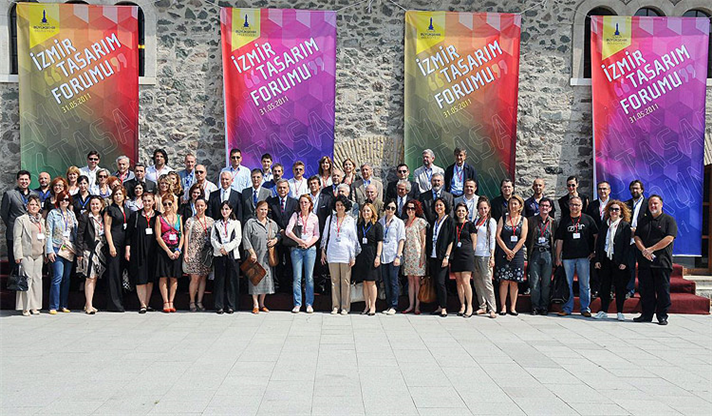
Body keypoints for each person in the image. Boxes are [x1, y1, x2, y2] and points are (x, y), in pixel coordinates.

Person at [633, 195, 677, 325]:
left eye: (655, 204)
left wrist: (651, 249)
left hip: (662, 263)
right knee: (646, 291)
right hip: (645, 263)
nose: (653, 206)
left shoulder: (669, 220)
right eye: (651, 204)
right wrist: (644, 250)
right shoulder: (643, 221)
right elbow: (637, 237)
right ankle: (646, 315)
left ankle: (662, 316)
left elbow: (669, 238)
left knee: (662, 291)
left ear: (661, 205)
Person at [555, 196, 598, 317]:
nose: (574, 207)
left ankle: (585, 308)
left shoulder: (588, 219)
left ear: (581, 206)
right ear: (569, 206)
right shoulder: (564, 221)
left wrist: (594, 251)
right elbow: (559, 240)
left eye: (577, 205)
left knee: (584, 284)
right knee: (567, 284)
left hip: (584, 257)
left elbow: (596, 235)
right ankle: (567, 308)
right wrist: (558, 257)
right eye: (572, 204)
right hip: (568, 257)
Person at [594, 200, 633, 321]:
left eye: (617, 209)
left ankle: (620, 311)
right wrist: (598, 259)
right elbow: (599, 243)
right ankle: (603, 310)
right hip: (606, 258)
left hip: (618, 260)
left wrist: (624, 262)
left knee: (620, 287)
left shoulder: (625, 225)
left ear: (621, 211)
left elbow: (627, 246)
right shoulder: (604, 224)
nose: (614, 212)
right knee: (604, 286)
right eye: (611, 209)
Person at [321, 195, 358, 314]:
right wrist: (323, 251)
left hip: (345, 253)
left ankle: (345, 307)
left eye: (342, 205)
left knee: (345, 281)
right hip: (332, 252)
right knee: (334, 281)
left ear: (345, 206)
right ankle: (335, 306)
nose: (339, 207)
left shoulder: (350, 220)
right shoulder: (330, 218)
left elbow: (353, 238)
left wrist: (353, 256)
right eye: (337, 205)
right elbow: (325, 235)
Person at [243, 201, 281, 313]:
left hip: (267, 256)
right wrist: (251, 252)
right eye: (261, 209)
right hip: (255, 255)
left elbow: (279, 234)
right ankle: (255, 304)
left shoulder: (271, 223)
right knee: (255, 279)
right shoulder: (251, 223)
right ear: (256, 210)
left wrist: (275, 240)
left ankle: (262, 303)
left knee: (266, 279)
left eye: (265, 209)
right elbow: (246, 238)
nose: (263, 212)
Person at [285, 195, 320, 313]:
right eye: (301, 202)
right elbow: (288, 231)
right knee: (297, 277)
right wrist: (299, 241)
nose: (303, 205)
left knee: (309, 277)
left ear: (310, 204)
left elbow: (317, 234)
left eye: (306, 202)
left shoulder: (314, 217)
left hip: (310, 249)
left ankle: (309, 303)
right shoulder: (296, 216)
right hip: (297, 249)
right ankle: (297, 303)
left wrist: (309, 243)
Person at [495, 195, 528, 316]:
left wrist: (513, 251)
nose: (513, 206)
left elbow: (523, 237)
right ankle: (503, 306)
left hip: (517, 253)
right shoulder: (503, 218)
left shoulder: (523, 220)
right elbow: (498, 236)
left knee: (514, 281)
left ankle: (513, 307)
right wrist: (506, 250)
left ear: (520, 206)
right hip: (503, 252)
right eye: (511, 203)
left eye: (515, 204)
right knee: (504, 281)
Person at [45, 190, 77, 315]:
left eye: (67, 199)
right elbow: (48, 232)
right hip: (56, 247)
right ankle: (53, 305)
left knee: (66, 278)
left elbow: (75, 231)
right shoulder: (53, 213)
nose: (65, 202)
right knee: (58, 276)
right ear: (58, 201)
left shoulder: (71, 214)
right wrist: (49, 250)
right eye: (62, 199)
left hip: (68, 248)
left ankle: (64, 305)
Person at [12, 195, 45, 316]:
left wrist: (46, 252)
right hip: (27, 254)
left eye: (36, 205)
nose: (34, 207)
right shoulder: (21, 220)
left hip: (39, 254)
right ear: (27, 206)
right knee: (27, 279)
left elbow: (45, 236)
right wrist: (18, 255)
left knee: (37, 280)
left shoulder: (42, 220)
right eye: (32, 204)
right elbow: (17, 238)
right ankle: (25, 307)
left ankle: (35, 306)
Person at [125, 192, 157, 314]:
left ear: (153, 202)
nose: (147, 203)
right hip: (138, 250)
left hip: (153, 251)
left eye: (149, 201)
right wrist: (127, 249)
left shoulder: (157, 216)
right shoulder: (136, 215)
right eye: (145, 201)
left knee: (150, 278)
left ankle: (147, 303)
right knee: (140, 277)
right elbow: (128, 234)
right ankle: (142, 304)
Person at [525, 197, 557, 315]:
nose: (544, 208)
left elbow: (555, 239)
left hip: (547, 253)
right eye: (542, 205)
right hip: (535, 252)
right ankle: (535, 306)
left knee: (546, 282)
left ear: (550, 208)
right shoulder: (531, 221)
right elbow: (527, 238)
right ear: (539, 207)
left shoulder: (553, 222)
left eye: (547, 206)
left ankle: (544, 306)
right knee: (534, 281)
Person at [76, 196, 107, 315]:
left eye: (97, 204)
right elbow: (80, 235)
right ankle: (89, 305)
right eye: (92, 204)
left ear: (101, 205)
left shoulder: (103, 216)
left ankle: (88, 303)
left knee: (94, 277)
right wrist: (79, 252)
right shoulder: (85, 217)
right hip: (89, 250)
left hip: (100, 250)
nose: (95, 206)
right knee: (89, 277)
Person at [183, 198, 214, 312]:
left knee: (203, 278)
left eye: (202, 205)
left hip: (206, 253)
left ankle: (199, 301)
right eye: (198, 206)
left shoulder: (211, 221)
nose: (200, 208)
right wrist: (186, 252)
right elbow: (186, 237)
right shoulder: (190, 221)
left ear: (206, 207)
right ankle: (192, 301)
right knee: (195, 278)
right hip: (193, 251)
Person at [267, 179, 298, 293]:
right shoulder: (271, 202)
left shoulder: (294, 202)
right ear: (276, 189)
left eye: (284, 187)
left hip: (290, 237)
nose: (282, 190)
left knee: (290, 262)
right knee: (277, 261)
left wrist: (288, 230)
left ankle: (288, 286)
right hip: (277, 236)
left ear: (288, 189)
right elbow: (270, 218)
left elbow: (296, 218)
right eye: (280, 187)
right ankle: (277, 285)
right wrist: (279, 230)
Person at [211, 201, 242, 314]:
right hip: (219, 254)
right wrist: (220, 248)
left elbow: (238, 239)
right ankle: (219, 305)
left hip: (232, 254)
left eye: (227, 209)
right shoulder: (216, 223)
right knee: (219, 280)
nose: (224, 211)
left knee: (231, 280)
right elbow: (213, 239)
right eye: (223, 209)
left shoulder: (236, 223)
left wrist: (227, 248)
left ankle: (231, 305)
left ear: (231, 210)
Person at [155, 194, 183, 312]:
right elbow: (158, 236)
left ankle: (171, 301)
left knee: (174, 277)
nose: (167, 206)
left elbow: (182, 235)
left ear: (173, 204)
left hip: (176, 248)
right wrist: (167, 251)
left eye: (169, 204)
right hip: (164, 250)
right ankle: (165, 302)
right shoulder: (159, 218)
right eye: (165, 204)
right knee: (163, 276)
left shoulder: (179, 217)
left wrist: (178, 249)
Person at [426, 198, 454, 317]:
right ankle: (438, 306)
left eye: (441, 205)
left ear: (445, 206)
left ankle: (444, 307)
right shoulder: (434, 221)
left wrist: (447, 256)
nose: (439, 207)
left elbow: (451, 240)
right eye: (437, 205)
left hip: (443, 256)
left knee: (441, 281)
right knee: (436, 282)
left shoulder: (449, 221)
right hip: (433, 256)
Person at [1, 170, 35, 266]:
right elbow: (4, 213)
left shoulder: (34, 194)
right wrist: (12, 224)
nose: (24, 181)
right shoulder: (10, 194)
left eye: (26, 179)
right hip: (13, 232)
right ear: (17, 180)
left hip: (29, 232)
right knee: (14, 260)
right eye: (21, 179)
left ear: (29, 181)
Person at [104, 186, 129, 312]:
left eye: (120, 194)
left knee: (121, 272)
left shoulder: (127, 210)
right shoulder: (110, 209)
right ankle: (114, 303)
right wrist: (111, 245)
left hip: (125, 243)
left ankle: (122, 300)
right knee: (113, 273)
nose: (118, 196)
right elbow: (107, 228)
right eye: (116, 194)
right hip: (114, 242)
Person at [451, 202, 477, 317]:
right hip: (456, 254)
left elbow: (474, 240)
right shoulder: (454, 224)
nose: (461, 213)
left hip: (467, 254)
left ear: (467, 212)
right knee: (458, 281)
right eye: (459, 211)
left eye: (463, 211)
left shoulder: (470, 225)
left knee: (466, 281)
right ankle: (462, 305)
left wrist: (472, 253)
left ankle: (470, 305)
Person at [473, 197, 498, 318]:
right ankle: (482, 306)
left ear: (489, 209)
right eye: (481, 208)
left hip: (485, 255)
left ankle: (492, 308)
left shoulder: (491, 221)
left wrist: (492, 256)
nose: (483, 210)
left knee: (487, 282)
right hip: (475, 254)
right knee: (477, 281)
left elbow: (492, 239)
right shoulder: (476, 221)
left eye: (485, 208)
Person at [401, 200, 428, 314]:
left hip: (417, 254)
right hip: (407, 254)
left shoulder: (420, 222)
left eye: (412, 208)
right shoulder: (404, 222)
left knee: (417, 281)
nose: (410, 210)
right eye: (408, 208)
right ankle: (410, 305)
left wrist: (422, 257)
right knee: (410, 280)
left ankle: (417, 306)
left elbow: (423, 241)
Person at [379, 200, 405, 315]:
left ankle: (394, 305)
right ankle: (388, 304)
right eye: (388, 207)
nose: (390, 210)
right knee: (386, 281)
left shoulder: (399, 222)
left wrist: (398, 256)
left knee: (393, 281)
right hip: (383, 254)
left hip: (394, 254)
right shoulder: (380, 221)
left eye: (393, 208)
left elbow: (401, 240)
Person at [586, 180, 612, 297]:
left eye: (604, 188)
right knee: (595, 264)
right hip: (595, 239)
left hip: (610, 239)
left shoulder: (614, 205)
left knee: (609, 265)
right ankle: (595, 289)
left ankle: (609, 290)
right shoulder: (592, 205)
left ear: (609, 190)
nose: (602, 191)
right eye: (600, 189)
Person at [625, 179, 649, 298]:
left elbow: (651, 222)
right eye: (632, 188)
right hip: (629, 240)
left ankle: (644, 291)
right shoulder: (626, 204)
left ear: (642, 190)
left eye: (637, 188)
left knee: (644, 267)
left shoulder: (648, 204)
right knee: (630, 266)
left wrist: (637, 231)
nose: (635, 190)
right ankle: (630, 290)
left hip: (643, 241)